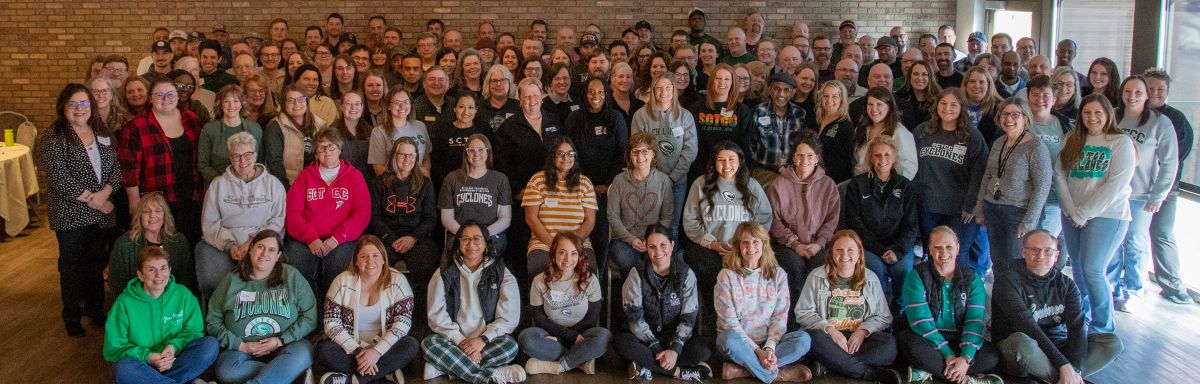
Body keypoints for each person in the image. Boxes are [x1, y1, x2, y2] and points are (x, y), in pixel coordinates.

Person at [41, 83, 122, 337]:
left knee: (95, 264)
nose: (79, 109)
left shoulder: (102, 131)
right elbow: (58, 177)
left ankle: (96, 309)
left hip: (101, 210)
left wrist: (106, 193)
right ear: (63, 107)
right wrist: (94, 200)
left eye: (84, 103)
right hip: (70, 211)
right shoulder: (55, 135)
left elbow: (116, 169)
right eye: (73, 104)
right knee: (72, 265)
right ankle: (72, 314)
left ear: (92, 106)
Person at [993, 230, 1123, 383]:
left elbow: (1077, 327)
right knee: (1022, 343)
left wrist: (1074, 367)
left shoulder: (1067, 285)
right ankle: (1065, 379)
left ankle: (1066, 377)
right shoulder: (1007, 281)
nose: (1041, 256)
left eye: (1047, 251)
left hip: (1057, 344)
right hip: (1021, 345)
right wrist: (1063, 364)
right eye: (1034, 250)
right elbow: (1028, 326)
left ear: (1056, 256)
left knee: (1112, 343)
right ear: (1024, 252)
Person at [1055, 94, 1135, 334]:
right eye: (1087, 113)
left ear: (1108, 114)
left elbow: (1116, 185)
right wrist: (1072, 210)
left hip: (1108, 216)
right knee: (1078, 270)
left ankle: (1104, 327)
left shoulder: (1120, 142)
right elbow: (1059, 175)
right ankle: (1084, 320)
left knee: (1093, 269)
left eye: (1097, 112)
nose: (1092, 117)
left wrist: (1084, 212)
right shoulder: (1072, 138)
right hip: (1072, 215)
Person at [682, 141, 772, 335]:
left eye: (731, 159)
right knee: (706, 268)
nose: (726, 165)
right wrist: (712, 243)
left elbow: (763, 220)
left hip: (744, 249)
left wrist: (745, 246)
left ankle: (746, 325)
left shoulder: (752, 186)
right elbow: (690, 221)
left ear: (740, 161)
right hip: (711, 247)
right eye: (721, 160)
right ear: (713, 163)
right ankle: (711, 323)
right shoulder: (701, 184)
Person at [207, 229, 318, 384]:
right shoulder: (232, 280)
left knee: (303, 354)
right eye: (260, 247)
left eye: (272, 250)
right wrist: (241, 345)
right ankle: (288, 375)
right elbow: (213, 320)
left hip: (287, 346)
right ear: (251, 249)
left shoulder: (291, 276)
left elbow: (310, 317)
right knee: (227, 371)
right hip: (242, 350)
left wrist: (281, 340)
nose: (265, 253)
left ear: (278, 256)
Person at [422, 222, 526, 384]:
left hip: (486, 343)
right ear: (459, 243)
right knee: (429, 344)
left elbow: (509, 317)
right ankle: (489, 376)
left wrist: (483, 339)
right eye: (466, 239)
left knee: (510, 346)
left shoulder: (501, 272)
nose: (471, 244)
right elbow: (436, 315)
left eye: (477, 239)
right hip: (453, 341)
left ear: (486, 244)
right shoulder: (444, 271)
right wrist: (460, 341)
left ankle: (449, 368)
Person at [1110, 75, 1179, 313]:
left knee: (1135, 244)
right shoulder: (1112, 116)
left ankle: (1134, 291)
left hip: (1140, 195)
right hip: (1112, 194)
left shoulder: (1160, 123)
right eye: (1128, 91)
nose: (1132, 96)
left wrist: (1157, 195)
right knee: (1112, 245)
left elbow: (1170, 163)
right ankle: (1110, 288)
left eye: (1138, 92)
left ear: (1146, 95)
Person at [898, 226, 1001, 384]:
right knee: (911, 347)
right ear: (930, 250)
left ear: (958, 248)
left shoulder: (973, 280)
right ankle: (967, 378)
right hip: (927, 340)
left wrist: (965, 358)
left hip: (960, 340)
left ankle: (930, 372)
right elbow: (921, 322)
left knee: (991, 357)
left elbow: (975, 321)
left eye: (949, 247)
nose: (944, 253)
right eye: (937, 247)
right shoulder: (916, 276)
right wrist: (948, 354)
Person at [794, 229, 900, 383]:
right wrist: (830, 330)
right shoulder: (817, 276)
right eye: (839, 250)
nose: (844, 255)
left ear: (859, 254)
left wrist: (863, 331)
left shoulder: (870, 278)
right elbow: (803, 313)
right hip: (828, 339)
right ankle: (868, 373)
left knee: (889, 346)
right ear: (831, 253)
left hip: (859, 341)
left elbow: (884, 316)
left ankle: (830, 363)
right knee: (812, 338)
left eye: (850, 250)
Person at [103, 247, 218, 384]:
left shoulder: (183, 295)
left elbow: (194, 331)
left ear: (169, 270)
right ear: (140, 275)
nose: (159, 275)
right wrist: (148, 356)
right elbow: (113, 348)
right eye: (151, 269)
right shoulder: (124, 303)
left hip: (175, 359)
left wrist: (173, 347)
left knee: (210, 345)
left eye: (163, 268)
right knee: (122, 369)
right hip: (142, 364)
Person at [715, 221, 812, 383]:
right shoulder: (726, 275)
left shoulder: (778, 275)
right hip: (739, 345)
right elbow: (729, 323)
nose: (750, 247)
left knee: (804, 340)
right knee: (727, 339)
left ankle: (745, 371)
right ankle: (777, 374)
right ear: (738, 246)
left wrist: (769, 348)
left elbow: (780, 317)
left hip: (770, 344)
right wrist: (757, 352)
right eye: (745, 242)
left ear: (764, 244)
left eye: (755, 241)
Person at [318, 235, 421, 384]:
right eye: (364, 256)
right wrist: (359, 351)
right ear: (356, 262)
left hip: (384, 347)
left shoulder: (397, 280)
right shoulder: (342, 281)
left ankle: (354, 379)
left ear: (384, 259)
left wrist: (376, 352)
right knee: (324, 350)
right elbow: (331, 323)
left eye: (375, 255)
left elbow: (403, 322)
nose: (370, 261)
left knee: (411, 345)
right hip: (352, 347)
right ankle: (385, 371)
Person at [195, 131, 286, 300]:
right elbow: (210, 223)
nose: (242, 161)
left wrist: (252, 243)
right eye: (236, 156)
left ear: (256, 155)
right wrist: (230, 246)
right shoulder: (217, 185)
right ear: (230, 158)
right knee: (215, 279)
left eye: (247, 155)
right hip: (224, 244)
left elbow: (277, 221)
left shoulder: (273, 184)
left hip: (261, 243)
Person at [284, 128, 371, 295]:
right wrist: (310, 238)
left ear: (339, 149)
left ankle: (331, 313)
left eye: (331, 147)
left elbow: (362, 214)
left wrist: (336, 239)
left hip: (341, 239)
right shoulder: (305, 177)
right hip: (306, 239)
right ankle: (309, 312)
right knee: (297, 264)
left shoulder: (354, 176)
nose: (327, 152)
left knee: (338, 266)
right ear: (316, 153)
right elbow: (292, 213)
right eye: (321, 148)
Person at [119, 78, 204, 246]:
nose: (166, 98)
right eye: (159, 94)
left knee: (190, 244)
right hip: (158, 202)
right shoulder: (136, 127)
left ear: (177, 96)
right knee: (163, 247)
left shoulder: (192, 119)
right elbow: (128, 169)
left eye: (170, 93)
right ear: (150, 98)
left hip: (192, 197)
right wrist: (134, 201)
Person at [913, 88, 989, 275]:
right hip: (928, 206)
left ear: (962, 108)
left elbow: (980, 173)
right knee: (933, 254)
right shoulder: (922, 132)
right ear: (936, 106)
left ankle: (960, 300)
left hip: (961, 210)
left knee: (958, 255)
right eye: (943, 103)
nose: (947, 108)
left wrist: (971, 205)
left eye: (953, 104)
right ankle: (935, 298)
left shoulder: (972, 136)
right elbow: (910, 166)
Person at [975, 99, 1052, 274]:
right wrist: (979, 209)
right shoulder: (999, 142)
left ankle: (1015, 300)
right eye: (1005, 114)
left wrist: (1029, 222)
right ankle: (1001, 299)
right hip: (993, 209)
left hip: (1018, 213)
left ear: (1025, 118)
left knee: (1016, 264)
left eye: (1015, 114)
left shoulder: (1035, 146)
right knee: (998, 263)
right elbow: (988, 176)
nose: (1009, 119)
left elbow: (1042, 187)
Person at [766, 134, 840, 313]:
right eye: (800, 155)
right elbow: (773, 221)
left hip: (818, 245)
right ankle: (795, 317)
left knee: (823, 266)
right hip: (787, 246)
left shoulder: (828, 185)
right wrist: (794, 244)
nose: (804, 160)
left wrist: (819, 244)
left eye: (809, 156)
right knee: (793, 267)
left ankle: (821, 315)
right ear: (794, 158)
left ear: (816, 159)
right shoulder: (778, 185)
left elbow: (832, 220)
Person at [519, 233, 610, 376]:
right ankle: (578, 360)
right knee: (526, 338)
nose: (568, 259)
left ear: (580, 256)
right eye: (562, 253)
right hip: (551, 333)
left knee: (604, 337)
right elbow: (539, 318)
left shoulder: (590, 280)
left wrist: (569, 337)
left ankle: (559, 366)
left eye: (574, 253)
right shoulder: (539, 281)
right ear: (553, 255)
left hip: (581, 334)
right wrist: (567, 336)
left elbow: (592, 317)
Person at [841, 136, 919, 302]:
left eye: (887, 155)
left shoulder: (906, 186)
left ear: (894, 158)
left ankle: (900, 313)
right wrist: (880, 250)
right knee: (875, 269)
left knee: (903, 270)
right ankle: (879, 314)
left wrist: (897, 251)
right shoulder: (857, 184)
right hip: (869, 246)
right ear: (870, 157)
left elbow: (912, 226)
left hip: (899, 246)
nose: (882, 160)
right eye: (877, 155)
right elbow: (855, 224)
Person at [564, 77, 628, 272]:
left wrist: (607, 184)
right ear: (585, 94)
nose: (596, 96)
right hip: (579, 187)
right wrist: (585, 184)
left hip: (607, 189)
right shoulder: (574, 118)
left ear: (606, 94)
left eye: (600, 92)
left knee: (600, 235)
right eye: (591, 92)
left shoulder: (616, 118)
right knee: (578, 232)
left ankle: (597, 281)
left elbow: (622, 153)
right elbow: (569, 152)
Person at [369, 137, 441, 310]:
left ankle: (419, 315)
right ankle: (379, 310)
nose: (407, 159)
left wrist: (413, 238)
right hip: (387, 236)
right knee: (374, 265)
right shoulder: (379, 182)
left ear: (416, 157)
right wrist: (391, 238)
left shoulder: (424, 184)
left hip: (416, 236)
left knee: (425, 264)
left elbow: (431, 218)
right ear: (394, 155)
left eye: (411, 155)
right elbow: (373, 217)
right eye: (402, 155)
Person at [1143, 69, 1195, 304]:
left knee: (1161, 233)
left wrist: (1159, 188)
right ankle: (1135, 283)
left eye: (1160, 90)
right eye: (1150, 88)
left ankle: (1173, 286)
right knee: (1132, 238)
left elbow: (1174, 158)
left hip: (1165, 190)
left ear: (1168, 92)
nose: (1154, 93)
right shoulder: (1133, 115)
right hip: (1134, 189)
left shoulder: (1177, 120)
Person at [631, 72, 698, 240]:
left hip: (677, 181)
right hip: (649, 182)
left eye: (668, 87)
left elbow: (690, 151)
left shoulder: (685, 116)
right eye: (659, 87)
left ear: (674, 89)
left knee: (673, 228)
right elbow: (638, 149)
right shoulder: (641, 115)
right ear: (653, 90)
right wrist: (655, 177)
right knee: (649, 227)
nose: (664, 91)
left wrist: (673, 177)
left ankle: (670, 264)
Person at [521, 137, 599, 277]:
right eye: (560, 153)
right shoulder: (537, 181)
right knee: (538, 267)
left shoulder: (585, 183)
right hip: (544, 243)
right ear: (552, 156)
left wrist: (573, 245)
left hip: (578, 243)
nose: (566, 158)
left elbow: (590, 220)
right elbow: (531, 218)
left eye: (570, 154)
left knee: (590, 269)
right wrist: (555, 245)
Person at [607, 133, 675, 280]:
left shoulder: (664, 181)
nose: (640, 156)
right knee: (625, 258)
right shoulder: (619, 181)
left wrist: (652, 240)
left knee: (661, 256)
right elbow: (612, 216)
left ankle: (651, 295)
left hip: (654, 239)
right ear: (630, 156)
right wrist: (631, 239)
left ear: (653, 154)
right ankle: (633, 295)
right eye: (635, 152)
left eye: (645, 151)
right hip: (624, 240)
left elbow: (667, 216)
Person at [110, 191, 196, 298]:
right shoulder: (124, 243)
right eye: (146, 211)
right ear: (139, 216)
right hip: (135, 302)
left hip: (172, 302)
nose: (152, 215)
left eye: (158, 210)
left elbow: (186, 279)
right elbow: (117, 283)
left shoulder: (179, 241)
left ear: (165, 215)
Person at [439, 134, 513, 255]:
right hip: (459, 233)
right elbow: (446, 218)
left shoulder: (500, 179)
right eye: (471, 150)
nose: (476, 153)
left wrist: (482, 236)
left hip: (491, 234)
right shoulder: (452, 178)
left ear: (488, 152)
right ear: (466, 154)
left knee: (487, 254)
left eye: (481, 149)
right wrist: (467, 236)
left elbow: (505, 218)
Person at [689, 64, 750, 180]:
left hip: (731, 172)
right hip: (701, 172)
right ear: (712, 81)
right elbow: (693, 143)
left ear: (732, 83)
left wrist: (737, 173)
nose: (722, 82)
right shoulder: (696, 109)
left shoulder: (742, 111)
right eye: (718, 78)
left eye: (727, 79)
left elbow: (745, 146)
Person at [197, 85, 263, 184]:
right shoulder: (209, 129)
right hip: (218, 185)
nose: (231, 106)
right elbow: (203, 164)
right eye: (227, 101)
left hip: (250, 184)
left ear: (242, 104)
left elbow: (259, 161)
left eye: (236, 101)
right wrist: (224, 182)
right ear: (220, 104)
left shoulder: (255, 128)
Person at [853, 87, 917, 179]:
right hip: (860, 185)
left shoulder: (899, 132)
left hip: (886, 189)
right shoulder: (861, 128)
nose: (874, 109)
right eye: (870, 104)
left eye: (879, 104)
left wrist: (895, 188)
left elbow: (910, 167)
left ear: (889, 107)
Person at [369, 88, 432, 176]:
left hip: (421, 184)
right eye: (397, 102)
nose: (402, 106)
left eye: (406, 102)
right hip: (395, 185)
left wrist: (424, 174)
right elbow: (379, 168)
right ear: (388, 106)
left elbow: (426, 158)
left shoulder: (420, 126)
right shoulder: (379, 132)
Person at [811, 81, 855, 183]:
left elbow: (843, 161)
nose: (829, 100)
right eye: (826, 96)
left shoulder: (845, 126)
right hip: (812, 176)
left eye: (834, 96)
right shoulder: (815, 120)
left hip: (834, 181)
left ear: (842, 100)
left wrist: (820, 173)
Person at [333, 91, 375, 176]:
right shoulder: (332, 132)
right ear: (341, 107)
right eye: (348, 104)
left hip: (367, 184)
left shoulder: (371, 131)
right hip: (342, 182)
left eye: (357, 104)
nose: (353, 107)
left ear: (362, 107)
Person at [895, 60, 941, 134]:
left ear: (930, 77)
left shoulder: (939, 98)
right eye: (916, 74)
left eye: (924, 74)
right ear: (910, 76)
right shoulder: (899, 97)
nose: (920, 78)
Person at [479, 65, 522, 131]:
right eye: (494, 81)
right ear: (488, 84)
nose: (498, 84)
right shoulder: (479, 107)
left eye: (503, 80)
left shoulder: (519, 106)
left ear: (509, 83)